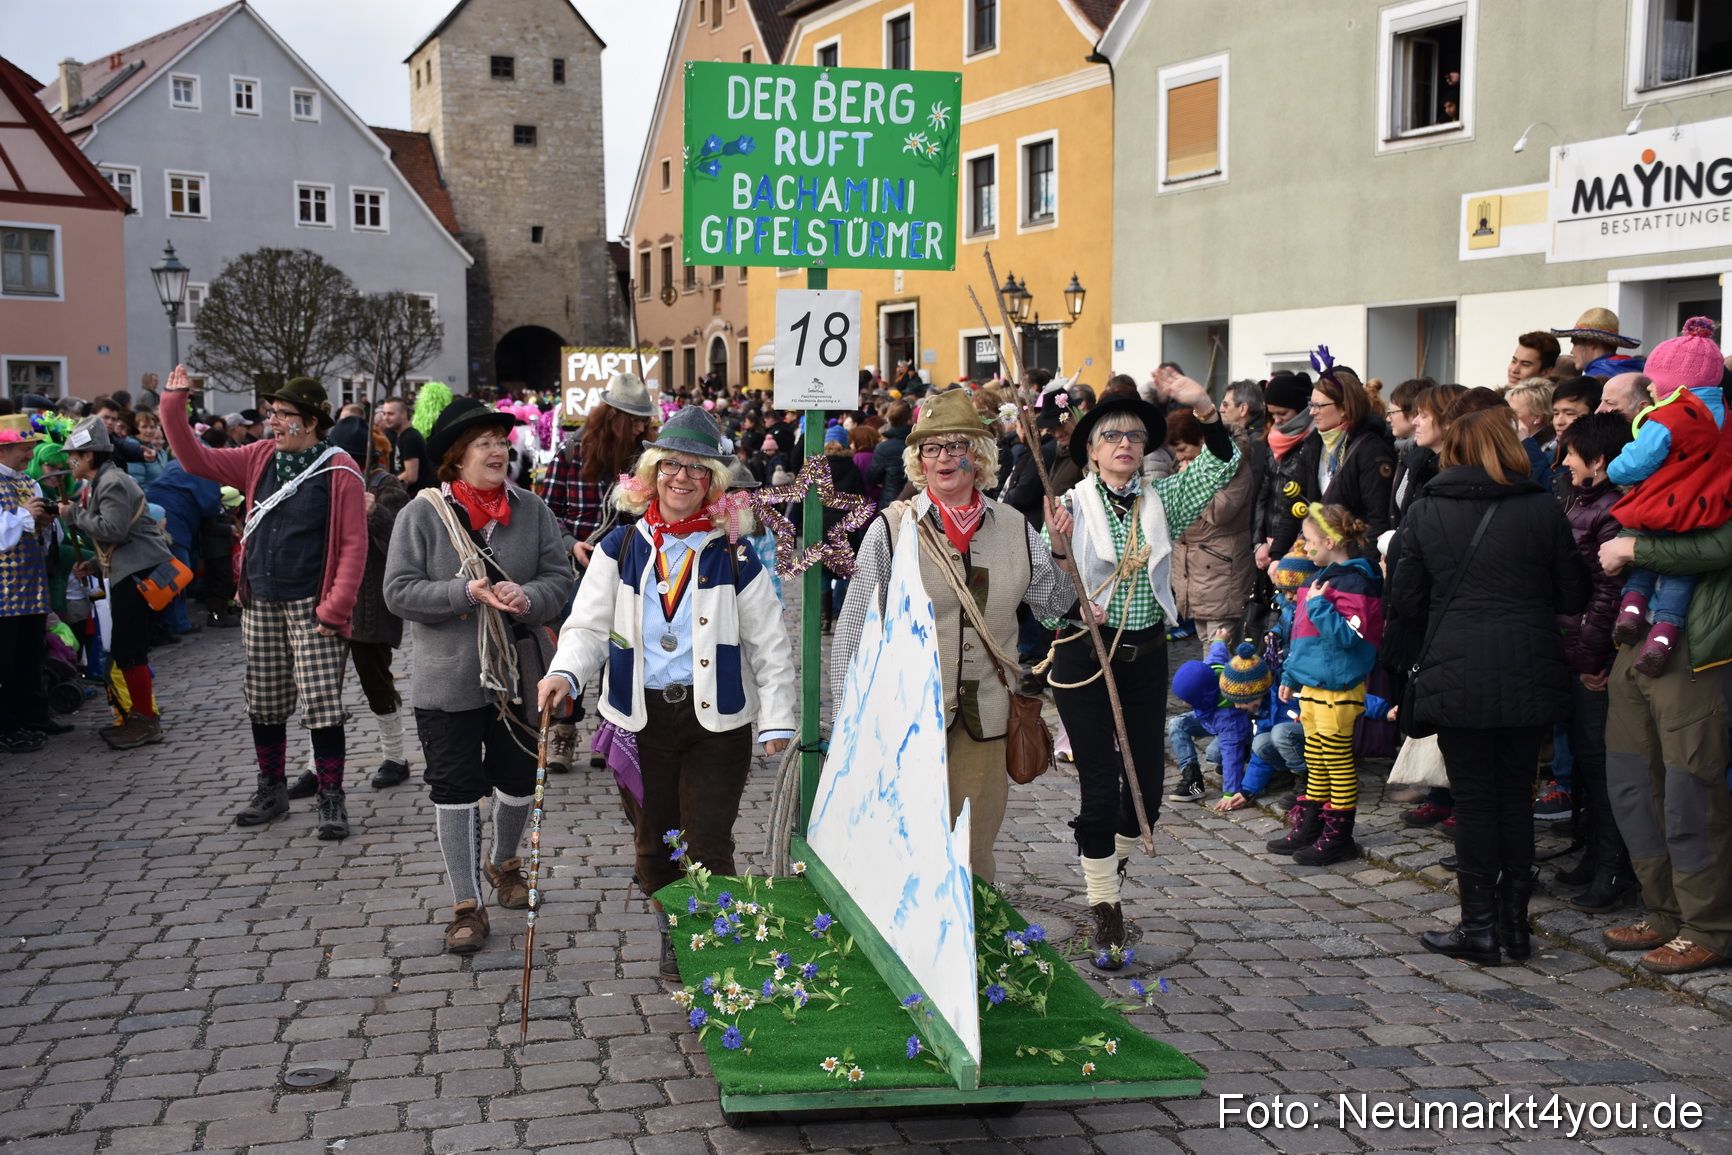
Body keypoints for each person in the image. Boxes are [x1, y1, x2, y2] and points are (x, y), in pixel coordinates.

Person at [538, 407, 793, 978]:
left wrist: (777, 719)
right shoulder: (620, 546)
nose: (682, 478)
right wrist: (566, 673)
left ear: (713, 484)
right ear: (651, 474)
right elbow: (586, 625)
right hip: (638, 719)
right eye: (671, 465)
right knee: (655, 847)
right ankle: (673, 933)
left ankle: (711, 947)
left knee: (708, 844)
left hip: (716, 722)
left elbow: (769, 644)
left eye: (697, 470)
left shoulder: (735, 553)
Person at [833, 389, 1074, 886]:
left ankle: (972, 949)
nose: (944, 457)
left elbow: (1053, 607)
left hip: (985, 719)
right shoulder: (893, 529)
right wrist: (847, 721)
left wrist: (1061, 549)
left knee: (971, 850)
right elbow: (854, 626)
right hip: (906, 718)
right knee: (907, 842)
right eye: (932, 448)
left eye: (956, 445)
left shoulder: (1014, 527)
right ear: (918, 460)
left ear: (979, 456)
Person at [1042, 371, 1240, 964]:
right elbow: (1046, 594)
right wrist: (1060, 555)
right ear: (1093, 451)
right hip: (1085, 654)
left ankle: (1111, 865)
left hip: (1147, 654)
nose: (1125, 444)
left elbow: (1222, 465)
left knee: (1146, 794)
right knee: (1100, 786)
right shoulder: (1070, 504)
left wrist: (1203, 405)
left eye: (1133, 436)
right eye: (1111, 437)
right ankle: (1106, 911)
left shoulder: (1163, 501)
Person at [1387, 409, 1589, 966]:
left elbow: (1404, 600)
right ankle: (1514, 928)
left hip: (1457, 671)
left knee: (1477, 802)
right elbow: (1571, 593)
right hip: (1527, 668)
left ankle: (1479, 928)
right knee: (1514, 800)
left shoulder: (1427, 512)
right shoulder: (1542, 508)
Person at [385, 398, 573, 954]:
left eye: (501, 441)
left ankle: (504, 862)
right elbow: (397, 592)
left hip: (519, 674)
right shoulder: (421, 515)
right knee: (456, 790)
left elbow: (560, 579)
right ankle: (467, 903)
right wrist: (463, 592)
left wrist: (530, 595)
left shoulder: (532, 510)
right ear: (456, 457)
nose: (498, 450)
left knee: (518, 780)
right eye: (484, 442)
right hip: (449, 679)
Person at [161, 367, 368, 839]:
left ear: (311, 421)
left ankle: (331, 798)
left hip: (312, 606)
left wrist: (334, 609)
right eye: (271, 412)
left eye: (282, 414)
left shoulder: (340, 469)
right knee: (266, 701)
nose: (272, 421)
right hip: (260, 602)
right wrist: (175, 402)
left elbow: (354, 545)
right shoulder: (258, 456)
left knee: (322, 706)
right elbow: (195, 459)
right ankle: (271, 789)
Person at [1597, 519, 1732, 975]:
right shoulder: (1658, 466)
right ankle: (1664, 912)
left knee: (1690, 795)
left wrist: (1632, 550)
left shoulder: (1718, 462)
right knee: (1632, 785)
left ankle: (1707, 928)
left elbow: (1717, 545)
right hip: (1639, 645)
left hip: (1697, 650)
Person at [283, 417, 413, 796]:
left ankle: (396, 756)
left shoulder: (386, 487)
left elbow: (401, 545)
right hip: (325, 602)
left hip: (369, 604)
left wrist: (375, 513)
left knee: (376, 682)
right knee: (319, 688)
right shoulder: (319, 481)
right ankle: (314, 766)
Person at [539, 374, 657, 772]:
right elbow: (547, 512)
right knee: (576, 644)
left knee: (620, 646)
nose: (641, 427)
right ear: (614, 417)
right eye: (635, 420)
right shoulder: (573, 452)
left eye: (645, 421)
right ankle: (564, 732)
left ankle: (609, 732)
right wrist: (571, 542)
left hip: (629, 564)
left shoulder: (646, 458)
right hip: (576, 567)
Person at [1604, 319, 1729, 676]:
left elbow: (1632, 466)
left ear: (1667, 382)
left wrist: (1615, 469)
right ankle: (1663, 635)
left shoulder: (1668, 417)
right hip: (1707, 512)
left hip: (1663, 505)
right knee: (1680, 574)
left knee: (1645, 550)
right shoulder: (1725, 417)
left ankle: (1630, 609)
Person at [1265, 505, 1383, 865]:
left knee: (1336, 761)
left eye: (1309, 541)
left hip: (1339, 687)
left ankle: (1339, 834)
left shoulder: (1355, 581)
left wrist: (1319, 606)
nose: (1304, 547)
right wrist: (1290, 675)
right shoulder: (1318, 579)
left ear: (1330, 541)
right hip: (1314, 685)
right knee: (1316, 760)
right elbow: (1302, 638)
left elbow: (1350, 636)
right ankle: (1313, 825)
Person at [1552, 414, 1637, 912]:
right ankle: (1593, 854)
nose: (1564, 462)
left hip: (1594, 658)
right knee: (1585, 760)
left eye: (1571, 454)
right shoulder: (1585, 500)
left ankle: (1614, 867)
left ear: (1599, 461)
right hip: (1577, 648)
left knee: (1603, 766)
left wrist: (1590, 658)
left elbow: (1608, 593)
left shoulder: (1611, 509)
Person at [58, 415, 176, 750]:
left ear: (90, 456)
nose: (70, 461)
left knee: (130, 650)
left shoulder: (111, 483)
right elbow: (119, 536)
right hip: (131, 570)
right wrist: (96, 564)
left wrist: (72, 516)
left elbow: (113, 529)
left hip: (137, 576)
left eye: (74, 456)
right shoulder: (105, 481)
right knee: (127, 649)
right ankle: (138, 719)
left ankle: (144, 722)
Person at [0, 415, 62, 754]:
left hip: (31, 586)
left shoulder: (31, 482)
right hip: (2, 592)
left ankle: (34, 716)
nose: (29, 454)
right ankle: (7, 724)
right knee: (5, 660)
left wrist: (48, 522)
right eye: (26, 448)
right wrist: (25, 515)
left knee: (31, 655)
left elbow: (45, 537)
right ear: (5, 447)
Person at [1166, 410, 1256, 645]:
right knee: (1206, 637)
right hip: (1193, 566)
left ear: (1202, 440)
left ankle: (1219, 684)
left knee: (1219, 645)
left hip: (1221, 567)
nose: (1179, 457)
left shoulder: (1234, 466)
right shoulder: (1188, 463)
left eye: (1184, 449)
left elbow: (1219, 513)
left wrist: (1191, 481)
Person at [1168, 635, 1258, 811]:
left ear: (1203, 695)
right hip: (1208, 718)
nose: (1184, 704)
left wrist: (1230, 794)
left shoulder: (1229, 716)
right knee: (1177, 724)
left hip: (1234, 730)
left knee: (1215, 754)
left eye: (1188, 700)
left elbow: (1231, 754)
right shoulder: (1210, 670)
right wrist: (1219, 639)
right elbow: (1216, 654)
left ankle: (1246, 752)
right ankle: (1192, 777)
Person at [1251, 373, 1316, 571]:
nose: (1277, 420)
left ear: (1300, 410)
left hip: (1300, 540)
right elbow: (1263, 492)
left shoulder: (1313, 442)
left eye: (1283, 413)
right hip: (1269, 541)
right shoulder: (1272, 440)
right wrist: (1258, 541)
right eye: (1272, 414)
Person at [819, 424, 866, 633]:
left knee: (824, 575)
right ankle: (848, 620)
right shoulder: (852, 467)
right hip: (846, 528)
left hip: (822, 527)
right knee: (847, 574)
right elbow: (861, 499)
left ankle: (824, 621)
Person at [1553, 308, 1644, 380]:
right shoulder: (1640, 373)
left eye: (1575, 344)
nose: (1572, 351)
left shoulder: (1590, 382)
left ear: (1592, 343)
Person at [376, 395, 428, 492]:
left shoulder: (410, 438)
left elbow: (411, 476)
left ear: (403, 414)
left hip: (413, 496)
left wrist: (386, 486)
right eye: (384, 413)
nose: (386, 418)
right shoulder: (392, 434)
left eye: (390, 414)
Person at [866, 399, 912, 504]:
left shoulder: (883, 448)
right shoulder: (920, 443)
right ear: (910, 419)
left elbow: (872, 478)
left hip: (891, 501)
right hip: (917, 500)